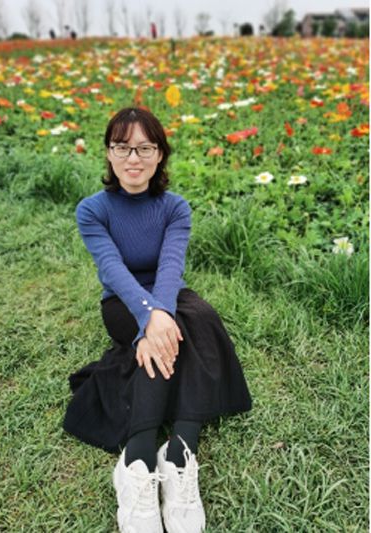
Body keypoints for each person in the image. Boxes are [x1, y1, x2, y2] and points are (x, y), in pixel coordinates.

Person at [63, 107, 252, 533]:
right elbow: (113, 270)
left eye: (145, 148)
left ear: (160, 154)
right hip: (122, 300)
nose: (134, 158)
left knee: (201, 316)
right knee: (181, 334)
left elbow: (170, 266)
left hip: (169, 293)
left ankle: (180, 450)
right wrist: (148, 318)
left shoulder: (174, 207)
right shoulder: (92, 210)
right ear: (109, 153)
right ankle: (138, 458)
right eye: (122, 147)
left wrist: (162, 315)